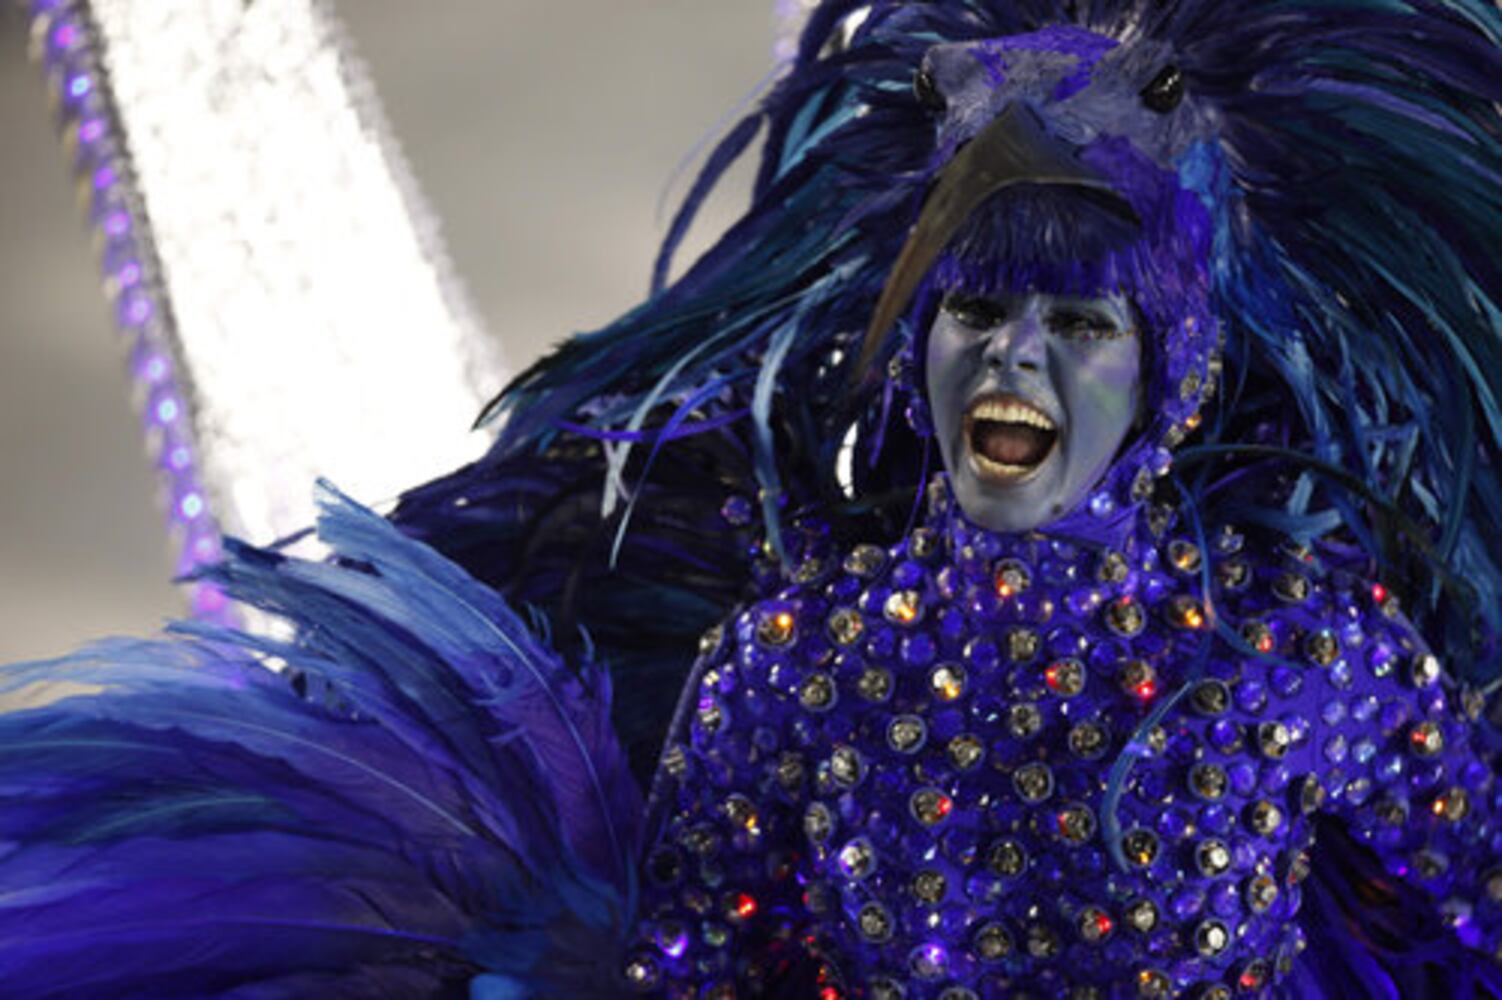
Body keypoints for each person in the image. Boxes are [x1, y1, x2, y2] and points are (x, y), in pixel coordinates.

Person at [2, 1, 1500, 997]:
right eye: (973, 312)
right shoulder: (788, 660)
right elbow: (695, 966)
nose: (1015, 361)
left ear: (1167, 376)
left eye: (1080, 328)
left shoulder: (1310, 659)